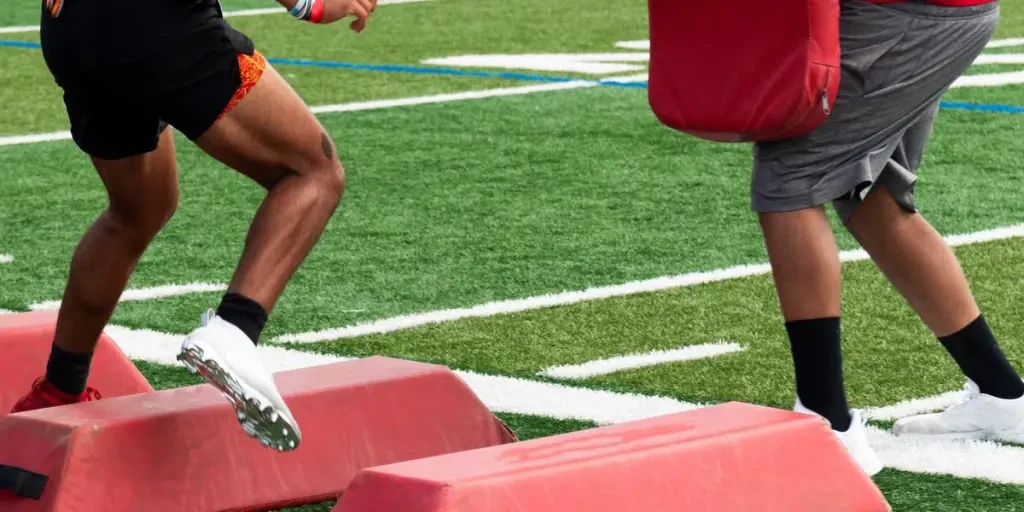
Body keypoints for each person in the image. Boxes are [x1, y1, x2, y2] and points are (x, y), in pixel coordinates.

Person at [9, 0, 379, 453]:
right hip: (151, 21)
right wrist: (310, 4)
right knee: (312, 172)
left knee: (138, 210)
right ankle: (235, 330)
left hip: (70, 25)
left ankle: (57, 390)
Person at [751, 0, 1018, 475]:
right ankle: (1002, 397)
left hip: (898, 16)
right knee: (872, 195)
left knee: (790, 180)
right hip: (942, 14)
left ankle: (825, 423)